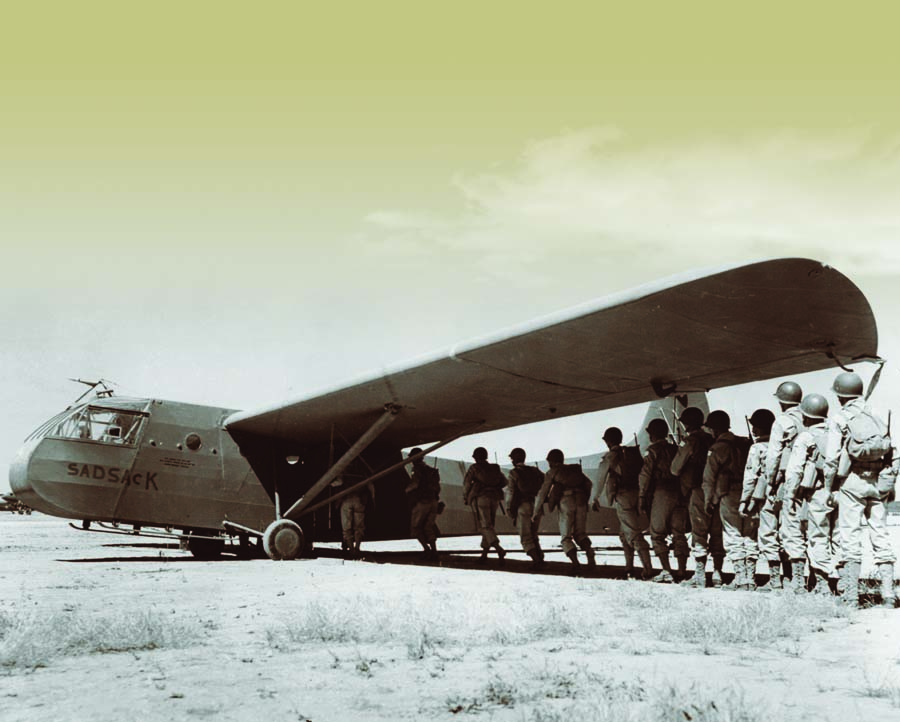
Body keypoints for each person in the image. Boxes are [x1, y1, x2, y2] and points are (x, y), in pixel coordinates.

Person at [823, 371, 896, 607]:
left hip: (852, 482)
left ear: (839, 395)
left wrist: (828, 488)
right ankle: (888, 595)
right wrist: (890, 482)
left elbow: (832, 459)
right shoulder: (880, 413)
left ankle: (851, 597)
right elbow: (894, 451)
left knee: (849, 536)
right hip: (879, 482)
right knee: (881, 534)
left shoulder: (839, 418)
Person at [783, 393, 837, 595]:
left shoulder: (806, 437)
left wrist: (790, 495)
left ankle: (815, 585)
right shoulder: (835, 432)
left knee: (813, 537)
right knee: (834, 537)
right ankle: (837, 584)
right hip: (837, 492)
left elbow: (795, 470)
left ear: (806, 416)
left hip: (813, 494)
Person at [592, 427, 652, 579]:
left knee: (633, 533)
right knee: (624, 533)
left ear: (608, 441)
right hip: (636, 494)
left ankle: (648, 569)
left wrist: (595, 497)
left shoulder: (611, 456)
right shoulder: (630, 453)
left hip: (623, 496)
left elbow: (600, 478)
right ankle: (629, 567)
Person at [702, 410, 753, 590]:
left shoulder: (718, 447)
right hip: (749, 492)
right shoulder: (744, 443)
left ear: (714, 429)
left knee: (732, 534)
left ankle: (740, 578)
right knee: (749, 534)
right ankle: (751, 577)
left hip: (728, 493)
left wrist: (708, 500)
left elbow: (709, 478)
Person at [671, 407, 720, 588]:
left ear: (685, 423)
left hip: (698, 490)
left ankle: (699, 575)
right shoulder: (711, 439)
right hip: (716, 490)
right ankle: (717, 573)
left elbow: (675, 469)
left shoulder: (689, 441)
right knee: (716, 530)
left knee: (699, 531)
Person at [762, 380, 804, 590]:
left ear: (781, 401)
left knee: (775, 527)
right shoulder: (808, 418)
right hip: (809, 481)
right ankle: (804, 579)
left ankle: (780, 580)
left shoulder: (782, 421)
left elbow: (774, 456)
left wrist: (770, 482)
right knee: (802, 530)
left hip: (786, 480)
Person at [638, 418, 689, 583]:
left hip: (662, 492)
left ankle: (666, 570)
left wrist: (641, 495)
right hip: (680, 492)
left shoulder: (652, 451)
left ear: (651, 434)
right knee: (678, 533)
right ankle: (682, 570)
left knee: (657, 533)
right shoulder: (675, 448)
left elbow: (645, 475)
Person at [534, 449, 595, 571]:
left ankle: (575, 563)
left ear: (552, 461)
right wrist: (587, 500)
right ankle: (590, 554)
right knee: (580, 533)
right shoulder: (575, 470)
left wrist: (536, 511)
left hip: (566, 502)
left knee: (566, 537)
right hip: (581, 501)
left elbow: (542, 493)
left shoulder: (552, 473)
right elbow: (589, 484)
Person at [739, 409, 776, 590]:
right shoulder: (780, 445)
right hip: (779, 495)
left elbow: (751, 476)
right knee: (780, 535)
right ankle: (781, 578)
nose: (753, 429)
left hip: (761, 497)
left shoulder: (757, 448)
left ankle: (756, 579)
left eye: (754, 425)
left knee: (760, 535)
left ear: (759, 428)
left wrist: (744, 500)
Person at [463, 447, 507, 562]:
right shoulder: (495, 467)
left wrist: (466, 496)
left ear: (476, 457)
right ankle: (484, 554)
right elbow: (504, 481)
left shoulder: (474, 468)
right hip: (495, 498)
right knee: (489, 525)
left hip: (481, 498)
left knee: (485, 526)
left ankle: (499, 549)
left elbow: (467, 484)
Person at [506, 447, 545, 567]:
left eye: (512, 458)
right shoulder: (535, 470)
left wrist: (509, 508)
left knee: (525, 536)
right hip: (537, 505)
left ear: (514, 459)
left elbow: (511, 493)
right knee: (534, 534)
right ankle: (540, 557)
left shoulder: (514, 473)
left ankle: (536, 560)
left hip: (523, 506)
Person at [405, 448, 441, 560]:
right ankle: (434, 551)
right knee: (428, 527)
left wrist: (406, 490)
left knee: (416, 528)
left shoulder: (417, 470)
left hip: (422, 502)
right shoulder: (431, 470)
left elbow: (415, 484)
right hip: (433, 501)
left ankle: (427, 550)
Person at [336, 475, 374, 559]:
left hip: (346, 499)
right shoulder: (362, 472)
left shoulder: (344, 472)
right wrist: (373, 499)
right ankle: (357, 548)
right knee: (359, 527)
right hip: (359, 499)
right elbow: (371, 485)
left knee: (346, 527)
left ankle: (351, 550)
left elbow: (337, 483)